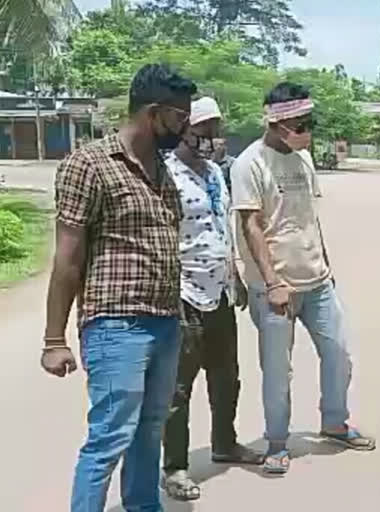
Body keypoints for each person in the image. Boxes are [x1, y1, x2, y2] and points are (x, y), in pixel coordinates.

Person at [41, 63, 196, 512]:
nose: (185, 127)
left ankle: (143, 506)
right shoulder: (88, 165)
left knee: (150, 431)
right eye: (179, 117)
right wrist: (55, 339)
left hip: (165, 323)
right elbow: (67, 257)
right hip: (115, 326)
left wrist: (179, 319)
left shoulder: (162, 169)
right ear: (153, 112)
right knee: (110, 436)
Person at [231, 82, 375, 476]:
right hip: (275, 289)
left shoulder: (303, 158)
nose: (306, 130)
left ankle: (334, 422)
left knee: (339, 353)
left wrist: (325, 263)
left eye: (308, 123)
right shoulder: (249, 164)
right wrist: (273, 282)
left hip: (317, 281)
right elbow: (251, 226)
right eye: (300, 123)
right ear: (277, 122)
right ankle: (277, 442)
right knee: (278, 370)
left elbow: (306, 217)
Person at [161, 97, 263, 501]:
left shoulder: (216, 174)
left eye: (215, 130)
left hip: (219, 289)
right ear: (183, 131)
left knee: (227, 377)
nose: (211, 138)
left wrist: (234, 273)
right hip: (184, 291)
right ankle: (176, 467)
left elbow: (222, 227)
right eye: (203, 130)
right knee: (179, 387)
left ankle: (225, 442)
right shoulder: (166, 174)